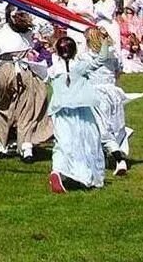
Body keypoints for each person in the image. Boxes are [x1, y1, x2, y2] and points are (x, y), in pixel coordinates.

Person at [0, 12, 53, 162]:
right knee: (15, 108)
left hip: (21, 70)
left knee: (21, 108)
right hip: (14, 70)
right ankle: (19, 146)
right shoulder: (2, 34)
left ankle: (17, 146)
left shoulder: (3, 34)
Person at [47, 36, 104, 193]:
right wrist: (105, 40)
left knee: (62, 142)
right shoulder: (80, 66)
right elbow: (101, 60)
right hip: (81, 111)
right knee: (85, 142)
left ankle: (57, 170)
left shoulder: (53, 70)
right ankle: (83, 175)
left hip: (60, 111)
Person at [82, 27, 138, 175]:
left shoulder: (86, 57)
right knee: (114, 124)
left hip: (97, 94)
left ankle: (119, 159)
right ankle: (105, 157)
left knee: (100, 127)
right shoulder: (113, 53)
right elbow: (118, 71)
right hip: (114, 92)